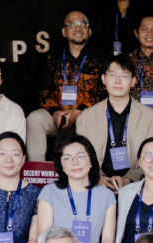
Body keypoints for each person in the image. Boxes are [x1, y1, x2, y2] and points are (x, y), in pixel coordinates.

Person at [34, 135, 120, 243]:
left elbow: (108, 238)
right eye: (67, 158)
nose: (75, 162)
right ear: (61, 165)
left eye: (80, 156)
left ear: (91, 160)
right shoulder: (49, 192)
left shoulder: (106, 195)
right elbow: (45, 238)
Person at [26, 11, 109, 162]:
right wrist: (55, 112)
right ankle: (38, 170)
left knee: (91, 118)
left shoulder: (101, 57)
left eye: (83, 24)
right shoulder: (53, 56)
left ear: (89, 31)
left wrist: (78, 112)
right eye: (72, 24)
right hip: (59, 116)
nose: (78, 28)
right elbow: (43, 91)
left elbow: (104, 92)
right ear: (64, 32)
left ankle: (91, 169)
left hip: (87, 116)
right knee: (34, 118)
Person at [77, 55, 153, 192]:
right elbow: (80, 155)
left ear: (133, 81)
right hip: (95, 185)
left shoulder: (149, 117)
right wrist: (98, 178)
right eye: (112, 75)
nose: (117, 81)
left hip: (136, 186)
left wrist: (128, 179)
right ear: (104, 79)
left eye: (124, 76)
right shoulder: (86, 116)